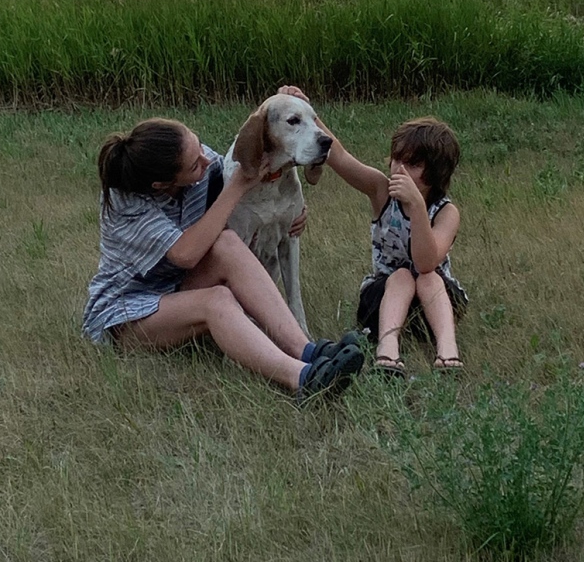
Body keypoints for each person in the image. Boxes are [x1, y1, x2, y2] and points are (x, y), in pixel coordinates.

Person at [81, 106, 364, 400]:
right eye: (194, 165)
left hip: (176, 288)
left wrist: (288, 211)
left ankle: (307, 349)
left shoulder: (196, 160)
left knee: (227, 243)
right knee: (216, 300)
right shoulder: (125, 205)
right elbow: (186, 255)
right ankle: (303, 379)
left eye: (199, 145)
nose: (206, 160)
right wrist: (239, 185)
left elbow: (234, 164)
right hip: (127, 316)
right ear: (161, 185)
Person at [298, 96, 468, 374]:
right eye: (397, 159)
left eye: (412, 164)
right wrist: (306, 111)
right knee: (400, 275)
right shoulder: (381, 191)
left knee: (427, 277)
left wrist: (416, 207)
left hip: (436, 304)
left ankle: (448, 351)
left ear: (435, 172)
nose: (399, 169)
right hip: (382, 302)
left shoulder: (446, 212)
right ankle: (387, 353)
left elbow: (426, 262)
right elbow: (339, 157)